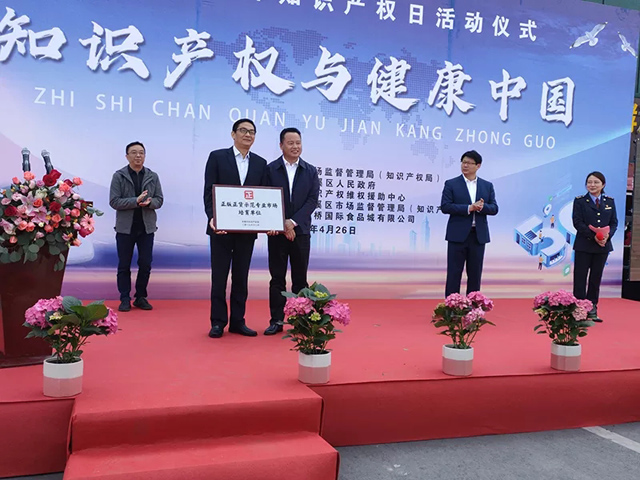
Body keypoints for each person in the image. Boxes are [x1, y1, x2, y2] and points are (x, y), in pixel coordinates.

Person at [204, 119, 267, 338]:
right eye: (243, 130)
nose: (248, 135)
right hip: (220, 229)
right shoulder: (217, 157)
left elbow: (263, 197)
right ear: (233, 134)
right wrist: (212, 217)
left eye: (252, 132)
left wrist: (267, 223)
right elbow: (209, 191)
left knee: (241, 278)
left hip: (246, 231)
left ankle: (238, 321)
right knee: (219, 278)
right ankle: (218, 322)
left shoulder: (260, 163)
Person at [264, 128, 320, 335]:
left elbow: (312, 201)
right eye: (290, 143)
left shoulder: (310, 170)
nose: (295, 146)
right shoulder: (270, 169)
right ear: (281, 145)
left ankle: (300, 321)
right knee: (277, 278)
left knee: (300, 279)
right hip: (277, 233)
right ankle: (276, 321)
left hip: (301, 232)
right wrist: (281, 224)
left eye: (298, 142)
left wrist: (292, 222)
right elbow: (266, 198)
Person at [109, 141, 164, 312]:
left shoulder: (153, 176)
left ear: (145, 156)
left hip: (147, 228)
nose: (138, 155)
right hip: (125, 228)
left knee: (145, 263)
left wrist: (149, 203)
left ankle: (140, 297)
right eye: (134, 152)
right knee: (124, 265)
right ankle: (124, 298)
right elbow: (114, 201)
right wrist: (135, 201)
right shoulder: (119, 176)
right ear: (127, 156)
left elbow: (159, 200)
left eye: (141, 152)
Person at [440, 150, 498, 297]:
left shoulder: (487, 186)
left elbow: (494, 208)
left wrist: (482, 207)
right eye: (463, 162)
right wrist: (469, 208)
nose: (465, 165)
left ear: (478, 166)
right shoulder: (451, 184)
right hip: (457, 236)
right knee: (454, 273)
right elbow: (445, 206)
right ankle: (452, 306)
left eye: (469, 163)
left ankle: (473, 305)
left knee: (475, 274)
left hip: (478, 236)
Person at [572, 171, 618, 323]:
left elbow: (614, 223)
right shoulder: (579, 201)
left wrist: (606, 237)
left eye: (596, 182)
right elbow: (577, 222)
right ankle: (579, 309)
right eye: (589, 182)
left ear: (603, 185)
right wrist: (595, 237)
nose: (592, 185)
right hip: (584, 245)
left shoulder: (609, 201)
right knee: (580, 277)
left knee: (595, 278)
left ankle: (592, 308)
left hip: (602, 247)